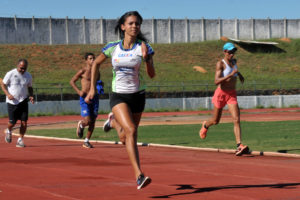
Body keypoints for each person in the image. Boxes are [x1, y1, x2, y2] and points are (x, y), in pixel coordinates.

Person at [85, 11, 155, 189]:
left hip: (138, 96)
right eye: (131, 23)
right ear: (123, 26)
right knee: (131, 130)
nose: (134, 26)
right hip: (119, 96)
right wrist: (93, 87)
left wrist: (147, 60)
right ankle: (139, 175)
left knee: (125, 138)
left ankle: (113, 123)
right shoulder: (112, 47)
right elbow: (96, 64)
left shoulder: (144, 47)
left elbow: (152, 75)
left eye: (137, 24)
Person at [199, 42, 249, 156]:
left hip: (232, 94)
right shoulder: (220, 64)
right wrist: (231, 75)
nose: (232, 54)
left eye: (233, 52)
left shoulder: (234, 62)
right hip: (221, 94)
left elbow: (235, 71)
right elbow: (216, 81)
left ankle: (239, 145)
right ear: (225, 52)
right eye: (230, 52)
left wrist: (239, 75)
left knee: (236, 119)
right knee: (216, 121)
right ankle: (206, 125)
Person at [70, 52, 103, 148]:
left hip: (94, 97)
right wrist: (79, 91)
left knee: (93, 121)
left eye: (93, 58)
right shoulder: (83, 71)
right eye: (90, 58)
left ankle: (86, 141)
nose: (92, 60)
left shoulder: (97, 72)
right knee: (87, 120)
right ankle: (81, 124)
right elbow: (72, 81)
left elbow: (97, 83)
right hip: (84, 97)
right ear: (86, 60)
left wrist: (100, 87)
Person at [1, 59, 34, 148]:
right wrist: (7, 94)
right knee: (12, 122)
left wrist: (31, 95)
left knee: (24, 122)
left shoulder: (28, 75)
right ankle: (9, 130)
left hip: (23, 101)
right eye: (21, 68)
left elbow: (30, 87)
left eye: (25, 68)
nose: (23, 70)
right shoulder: (10, 74)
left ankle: (20, 140)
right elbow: (3, 84)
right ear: (17, 65)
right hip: (12, 102)